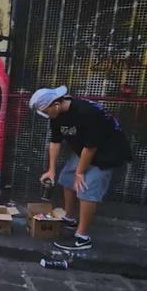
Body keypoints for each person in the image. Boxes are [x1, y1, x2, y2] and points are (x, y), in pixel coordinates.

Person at [29, 86, 132, 250]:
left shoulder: (86, 112)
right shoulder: (56, 116)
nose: (47, 115)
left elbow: (91, 147)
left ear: (55, 103)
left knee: (86, 188)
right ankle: (70, 219)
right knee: (67, 179)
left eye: (47, 111)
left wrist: (80, 172)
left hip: (107, 152)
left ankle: (82, 237)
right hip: (84, 148)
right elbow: (55, 142)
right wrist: (51, 170)